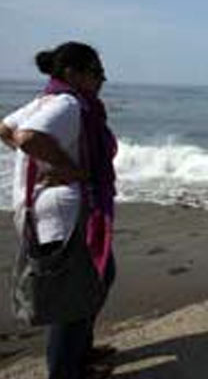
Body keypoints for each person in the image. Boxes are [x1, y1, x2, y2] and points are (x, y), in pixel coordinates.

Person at [0, 42, 118, 379]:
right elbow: (27, 138)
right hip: (61, 214)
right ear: (72, 73)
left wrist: (43, 164)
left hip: (52, 210)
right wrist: (69, 168)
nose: (102, 80)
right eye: (96, 72)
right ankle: (67, 370)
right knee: (71, 296)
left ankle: (81, 350)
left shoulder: (47, 100)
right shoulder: (68, 104)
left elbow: (5, 129)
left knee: (101, 273)